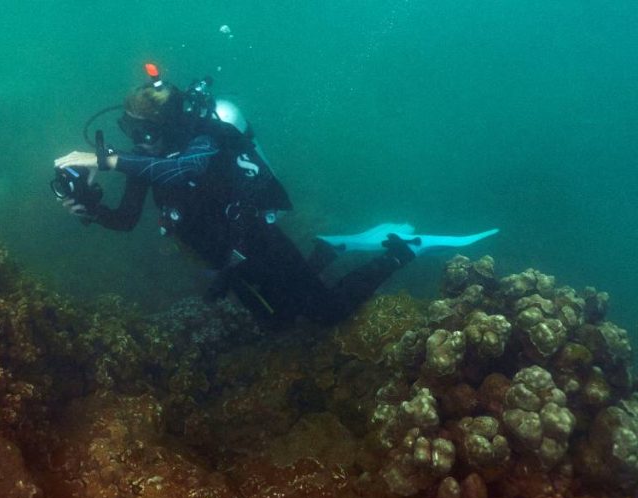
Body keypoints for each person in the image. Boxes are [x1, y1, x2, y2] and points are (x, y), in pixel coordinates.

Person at [53, 68, 416, 329]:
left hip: (259, 239)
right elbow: (127, 219)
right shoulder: (146, 158)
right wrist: (90, 209)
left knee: (327, 313)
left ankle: (401, 252)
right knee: (278, 321)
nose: (138, 139)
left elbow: (185, 171)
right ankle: (326, 250)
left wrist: (105, 160)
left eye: (144, 131)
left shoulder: (209, 136)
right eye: (129, 129)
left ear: (170, 125)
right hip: (228, 256)